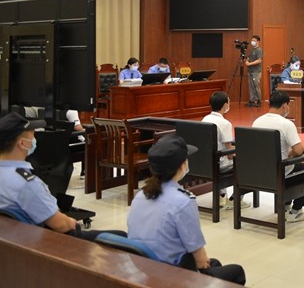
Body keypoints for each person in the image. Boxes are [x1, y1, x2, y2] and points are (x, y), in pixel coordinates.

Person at [127, 135, 246, 285]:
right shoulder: (183, 202)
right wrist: (203, 265)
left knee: (215, 263)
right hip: (173, 273)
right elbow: (199, 256)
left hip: (144, 266)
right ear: (182, 166)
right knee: (236, 271)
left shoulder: (140, 196)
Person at [0, 113, 125, 241]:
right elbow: (60, 225)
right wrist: (71, 222)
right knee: (121, 236)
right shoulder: (27, 184)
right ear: (22, 143)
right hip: (44, 242)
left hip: (12, 239)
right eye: (33, 135)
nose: (35, 139)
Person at [252, 90, 304, 222]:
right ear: (285, 106)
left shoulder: (257, 121)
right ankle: (295, 211)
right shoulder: (286, 124)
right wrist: (290, 153)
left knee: (294, 167)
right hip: (280, 173)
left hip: (259, 172)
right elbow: (299, 150)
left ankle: (286, 205)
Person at [201, 91, 250, 210]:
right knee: (247, 165)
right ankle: (235, 199)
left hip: (205, 163)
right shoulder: (224, 123)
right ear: (225, 105)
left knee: (220, 156)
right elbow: (229, 154)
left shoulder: (205, 119)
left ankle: (222, 195)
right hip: (220, 164)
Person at [244, 35, 263, 107]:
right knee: (251, 87)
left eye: (254, 40)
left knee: (256, 86)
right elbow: (249, 58)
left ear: (258, 42)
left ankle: (259, 101)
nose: (252, 42)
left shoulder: (259, 50)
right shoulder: (252, 50)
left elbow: (259, 60)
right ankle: (252, 100)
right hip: (250, 71)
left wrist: (250, 64)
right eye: (252, 40)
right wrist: (247, 61)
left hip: (256, 72)